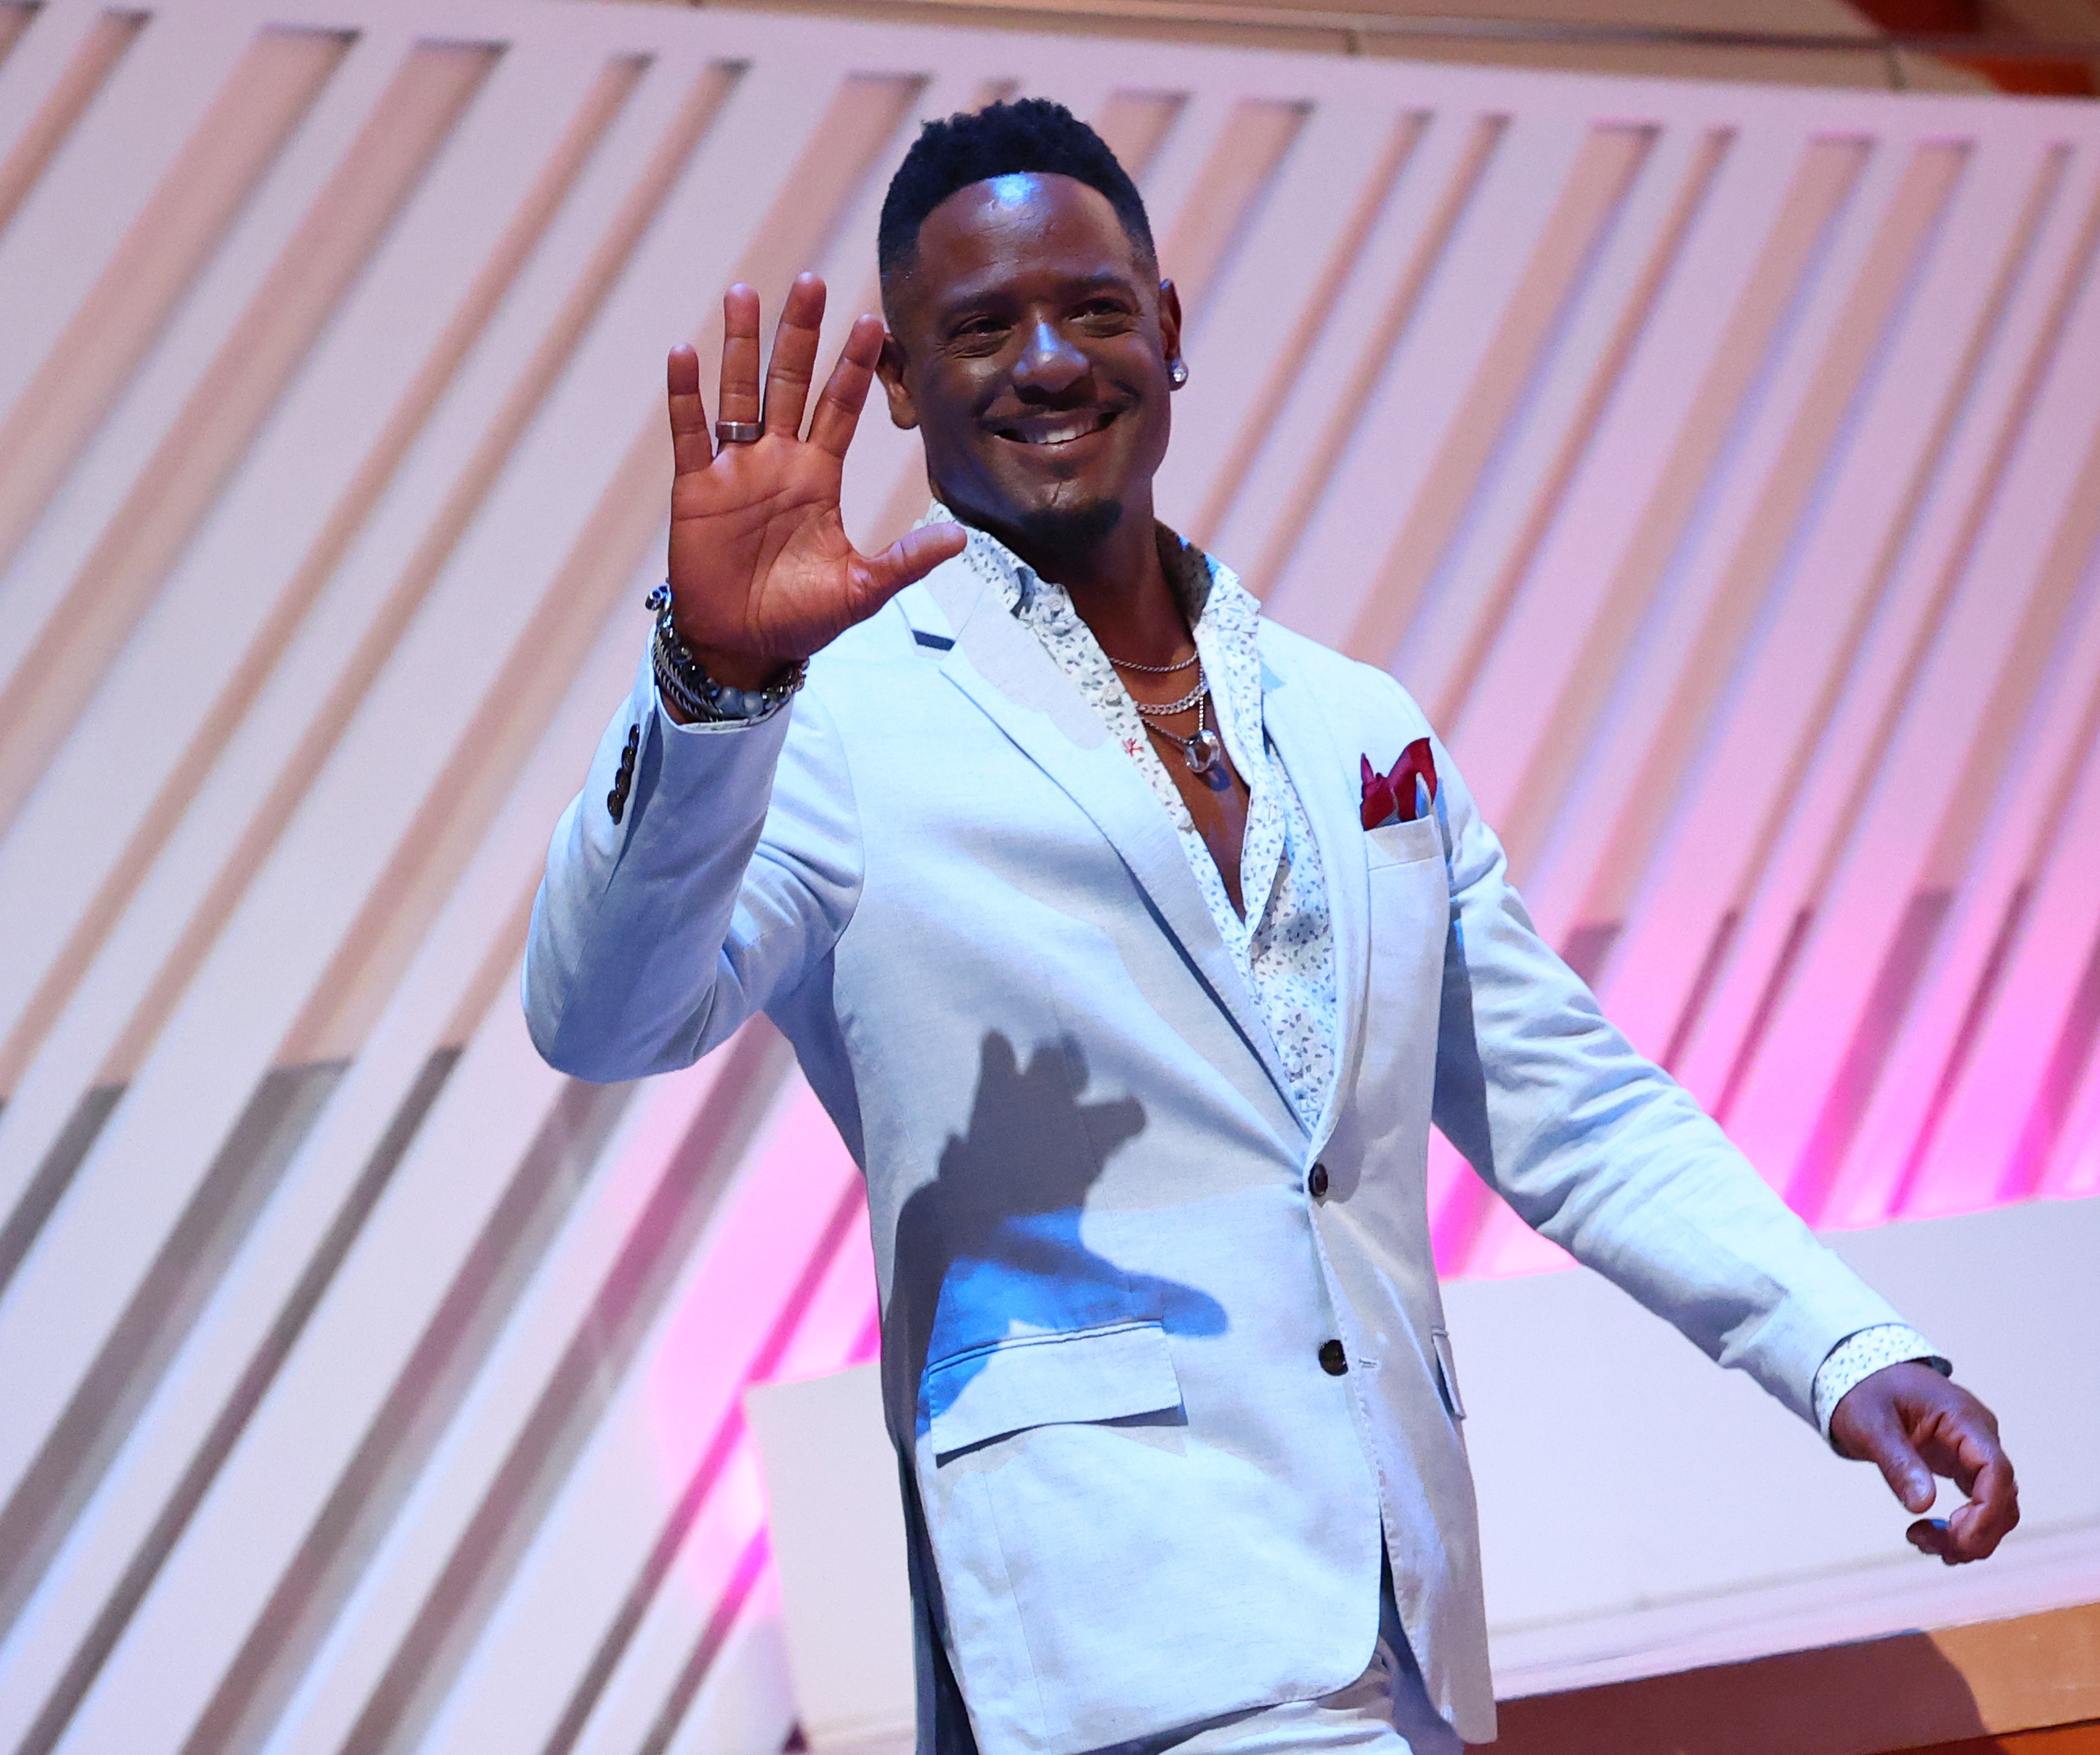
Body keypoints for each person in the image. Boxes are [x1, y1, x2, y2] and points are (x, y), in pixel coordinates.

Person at [525, 97, 2017, 1755]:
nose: (1047, 361)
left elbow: (1570, 1102)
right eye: (980, 327)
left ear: (1169, 334)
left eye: (1093, 309)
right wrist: (714, 684)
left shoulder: (1347, 714)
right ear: (900, 386)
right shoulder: (842, 721)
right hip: (1107, 1637)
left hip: (1400, 1632)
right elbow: (603, 1016)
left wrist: (1843, 1348)